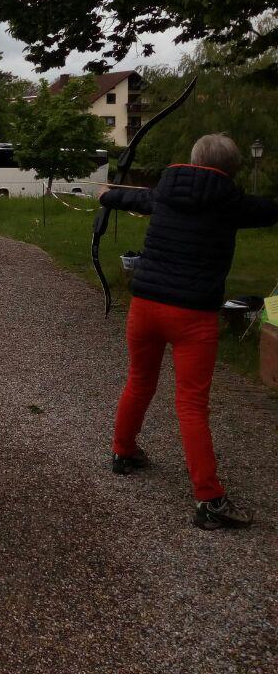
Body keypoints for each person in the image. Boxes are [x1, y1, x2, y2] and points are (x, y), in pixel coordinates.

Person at [101, 134, 277, 529]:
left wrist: (107, 195)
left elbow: (132, 199)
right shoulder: (231, 201)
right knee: (192, 404)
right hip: (192, 315)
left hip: (145, 306)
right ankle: (209, 500)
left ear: (193, 159)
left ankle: (123, 452)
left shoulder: (164, 190)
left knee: (139, 381)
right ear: (229, 168)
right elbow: (268, 210)